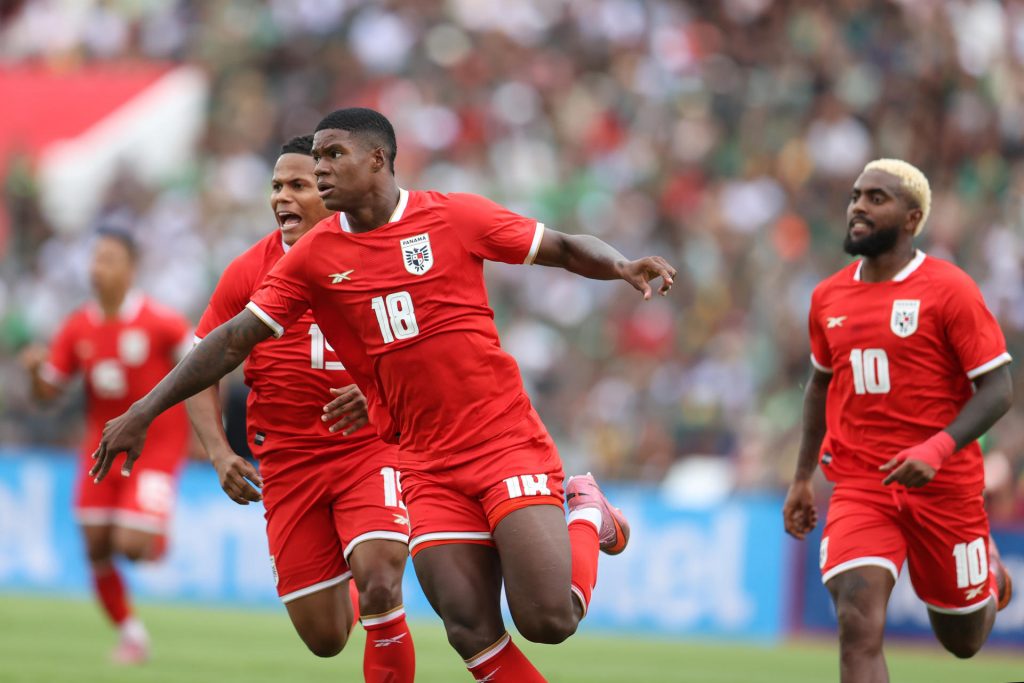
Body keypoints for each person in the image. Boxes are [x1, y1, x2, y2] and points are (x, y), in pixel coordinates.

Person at [90, 107, 676, 681]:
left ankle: (586, 511)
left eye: (332, 155)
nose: (321, 168)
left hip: (502, 442)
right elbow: (231, 341)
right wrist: (145, 410)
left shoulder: (453, 217)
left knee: (548, 621)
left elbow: (563, 247)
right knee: (468, 629)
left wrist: (621, 265)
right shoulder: (312, 258)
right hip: (424, 464)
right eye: (314, 158)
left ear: (378, 159)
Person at [185, 135, 414, 682]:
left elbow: (432, 345)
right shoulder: (249, 271)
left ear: (330, 191)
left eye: (298, 185)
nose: (282, 197)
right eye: (276, 186)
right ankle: (352, 582)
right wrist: (217, 451)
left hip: (369, 451)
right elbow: (199, 366)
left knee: (381, 578)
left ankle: (370, 584)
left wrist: (379, 390)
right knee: (326, 637)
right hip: (288, 464)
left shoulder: (382, 253)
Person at [782, 159, 1014, 682]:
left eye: (876, 198)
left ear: (912, 219)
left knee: (963, 640)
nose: (858, 207)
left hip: (944, 486)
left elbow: (999, 387)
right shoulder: (827, 297)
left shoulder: (950, 289)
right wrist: (801, 478)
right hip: (862, 483)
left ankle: (990, 578)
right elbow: (820, 386)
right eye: (855, 196)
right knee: (856, 621)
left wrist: (936, 448)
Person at [22, 228, 192, 664]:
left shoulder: (162, 322)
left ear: (131, 269)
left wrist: (207, 431)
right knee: (96, 545)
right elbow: (48, 395)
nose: (98, 268)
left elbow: (204, 365)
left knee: (131, 545)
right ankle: (131, 634)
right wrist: (35, 372)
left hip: (155, 449)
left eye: (109, 259)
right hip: (101, 450)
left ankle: (156, 534)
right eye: (95, 259)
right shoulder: (78, 326)